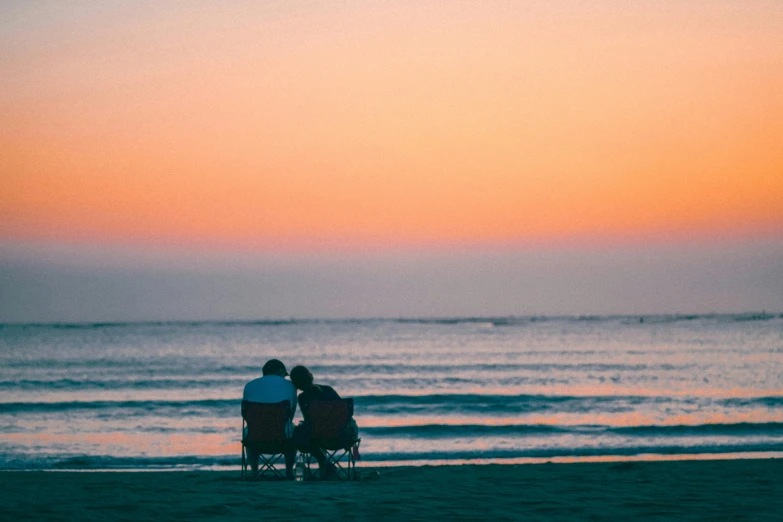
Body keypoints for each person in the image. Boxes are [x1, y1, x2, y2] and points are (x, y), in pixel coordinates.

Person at [290, 365, 358, 479]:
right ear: (310, 376)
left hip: (318, 437)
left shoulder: (303, 398)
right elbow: (344, 414)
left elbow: (309, 421)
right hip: (341, 436)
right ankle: (326, 467)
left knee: (299, 436)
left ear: (296, 384)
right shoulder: (328, 389)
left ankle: (325, 464)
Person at [242, 358, 297, 479]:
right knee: (294, 432)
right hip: (281, 437)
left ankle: (255, 473)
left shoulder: (250, 385)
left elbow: (246, 415)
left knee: (250, 430)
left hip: (255, 436)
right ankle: (289, 473)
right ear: (280, 371)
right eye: (284, 374)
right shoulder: (290, 386)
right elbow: (290, 416)